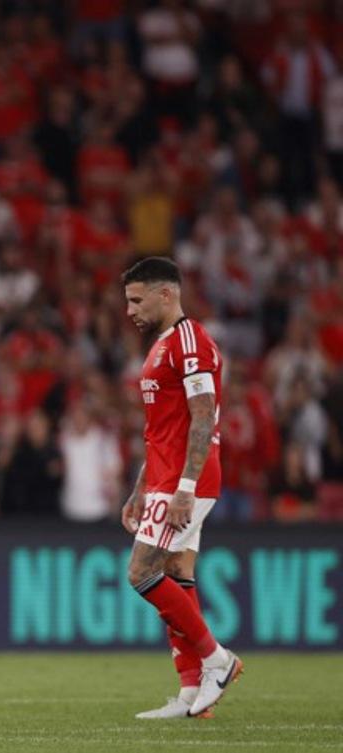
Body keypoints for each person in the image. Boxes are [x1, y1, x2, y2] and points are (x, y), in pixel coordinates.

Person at [121, 257, 243, 719]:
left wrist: (184, 487)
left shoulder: (190, 341)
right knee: (174, 571)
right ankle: (192, 692)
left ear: (165, 294)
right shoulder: (162, 345)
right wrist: (141, 488)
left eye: (137, 299)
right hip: (166, 478)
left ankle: (218, 660)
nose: (130, 310)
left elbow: (203, 415)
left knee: (141, 572)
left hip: (185, 482)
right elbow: (161, 429)